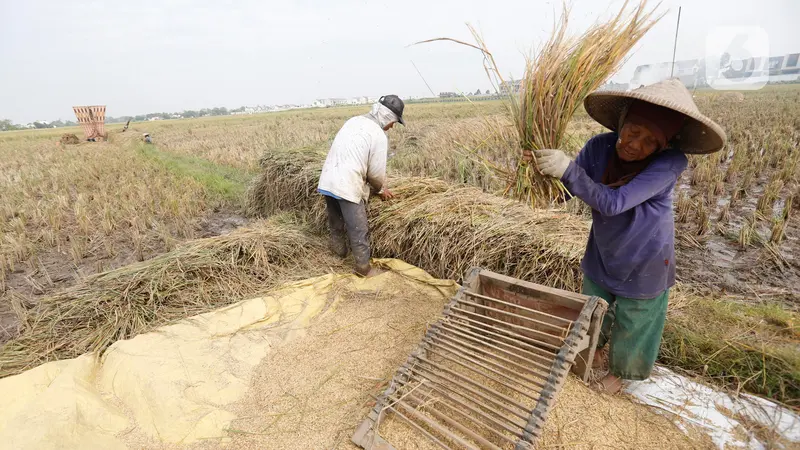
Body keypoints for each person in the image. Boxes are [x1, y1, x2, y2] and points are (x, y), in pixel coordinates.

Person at [535, 79, 726, 393]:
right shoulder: (600, 147)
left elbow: (615, 202)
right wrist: (542, 175)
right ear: (622, 122)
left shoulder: (668, 164)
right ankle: (595, 349)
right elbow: (567, 191)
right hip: (604, 249)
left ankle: (620, 374)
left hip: (646, 257)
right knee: (595, 306)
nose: (636, 144)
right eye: (633, 131)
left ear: (664, 145)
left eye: (650, 141)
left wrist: (569, 169)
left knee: (635, 320)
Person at [317, 95, 405, 277]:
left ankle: (338, 254)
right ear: (388, 118)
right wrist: (380, 190)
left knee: (336, 222)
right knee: (359, 228)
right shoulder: (378, 134)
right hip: (347, 183)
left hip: (328, 178)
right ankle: (363, 269)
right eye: (394, 122)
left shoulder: (353, 121)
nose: (392, 127)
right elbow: (375, 173)